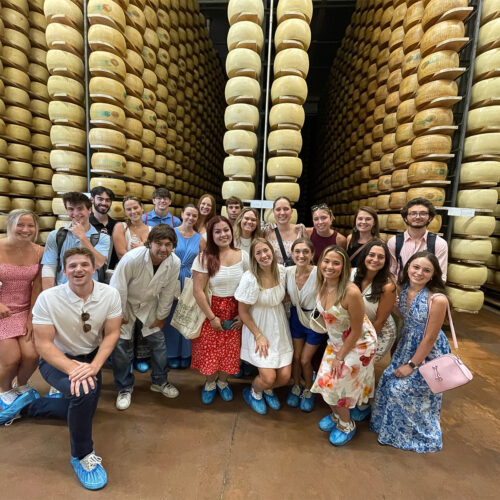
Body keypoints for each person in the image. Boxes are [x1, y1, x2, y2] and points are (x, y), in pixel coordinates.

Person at [1, 247, 122, 491]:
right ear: (64, 271)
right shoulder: (49, 298)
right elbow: (43, 344)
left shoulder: (110, 294)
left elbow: (112, 334)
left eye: (84, 265)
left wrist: (94, 366)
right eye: (73, 266)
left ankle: (27, 406)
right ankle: (82, 455)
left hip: (90, 360)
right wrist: (71, 368)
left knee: (85, 408)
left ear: (94, 267)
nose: (79, 270)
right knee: (84, 393)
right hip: (56, 360)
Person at [370, 251, 451, 453]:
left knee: (402, 390)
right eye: (415, 267)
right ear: (407, 268)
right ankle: (388, 429)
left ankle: (412, 434)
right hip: (407, 345)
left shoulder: (438, 299)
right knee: (387, 382)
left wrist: (412, 365)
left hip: (428, 353)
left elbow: (430, 338)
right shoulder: (403, 290)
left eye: (426, 270)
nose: (419, 272)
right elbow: (406, 315)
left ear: (434, 274)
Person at [109, 225, 181, 411]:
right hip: (125, 303)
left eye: (168, 244)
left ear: (173, 246)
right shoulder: (132, 258)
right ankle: (124, 388)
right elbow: (118, 287)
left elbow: (167, 291)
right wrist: (119, 314)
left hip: (150, 304)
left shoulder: (174, 262)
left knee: (158, 343)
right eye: (158, 243)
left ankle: (160, 381)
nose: (163, 249)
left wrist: (161, 316)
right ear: (149, 243)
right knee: (121, 346)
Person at [311, 246, 377, 446]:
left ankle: (346, 424)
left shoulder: (351, 292)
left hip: (359, 344)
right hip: (337, 342)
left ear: (344, 267)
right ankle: (337, 415)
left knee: (336, 387)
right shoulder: (322, 284)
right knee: (324, 383)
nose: (329, 266)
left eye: (336, 263)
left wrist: (340, 357)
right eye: (326, 261)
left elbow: (357, 331)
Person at [191, 216, 248, 404]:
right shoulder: (203, 258)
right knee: (210, 350)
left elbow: (250, 287)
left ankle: (223, 382)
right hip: (211, 308)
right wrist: (212, 317)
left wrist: (243, 313)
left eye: (226, 230)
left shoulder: (243, 255)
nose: (223, 235)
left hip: (236, 309)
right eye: (218, 231)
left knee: (230, 350)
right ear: (211, 235)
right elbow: (198, 291)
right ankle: (209, 383)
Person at [235, 238, 292, 414]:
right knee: (268, 377)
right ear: (253, 257)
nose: (263, 255)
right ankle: (255, 391)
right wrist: (258, 336)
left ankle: (267, 389)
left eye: (265, 250)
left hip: (279, 324)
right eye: (258, 253)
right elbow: (243, 312)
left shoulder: (281, 272)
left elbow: (285, 296)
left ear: (272, 251)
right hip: (258, 325)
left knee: (284, 377)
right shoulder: (250, 278)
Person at [0, 210, 42, 413]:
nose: (26, 230)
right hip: (2, 311)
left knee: (32, 355)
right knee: (11, 359)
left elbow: (38, 285)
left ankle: (22, 385)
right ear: (10, 225)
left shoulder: (39, 251)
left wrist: (32, 315)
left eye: (30, 226)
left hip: (26, 309)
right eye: (20, 225)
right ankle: (5, 390)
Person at [350, 240, 397, 421]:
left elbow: (380, 320)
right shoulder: (353, 274)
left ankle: (363, 404)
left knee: (364, 364)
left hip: (379, 332)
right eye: (372, 255)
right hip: (356, 327)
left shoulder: (387, 286)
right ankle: (353, 399)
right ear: (364, 256)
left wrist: (363, 343)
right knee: (354, 364)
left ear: (386, 261)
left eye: (381, 257)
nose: (375, 259)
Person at [112, 196, 152, 373]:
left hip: (147, 280)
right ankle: (126, 359)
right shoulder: (121, 227)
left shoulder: (152, 229)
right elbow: (122, 254)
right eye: (128, 209)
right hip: (126, 281)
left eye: (136, 207)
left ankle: (142, 356)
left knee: (144, 319)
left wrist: (139, 248)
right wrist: (145, 248)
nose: (133, 212)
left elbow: (158, 253)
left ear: (142, 208)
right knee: (126, 322)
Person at [165, 204, 206, 369]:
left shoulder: (200, 239)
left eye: (194, 216)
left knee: (188, 315)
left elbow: (204, 261)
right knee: (171, 315)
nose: (191, 218)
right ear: (182, 214)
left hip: (190, 280)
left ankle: (187, 353)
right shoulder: (171, 233)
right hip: (172, 278)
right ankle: (172, 353)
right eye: (188, 214)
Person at [41, 192, 110, 288]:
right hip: (62, 292)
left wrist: (82, 237)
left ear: (89, 210)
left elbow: (98, 263)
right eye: (71, 209)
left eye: (80, 208)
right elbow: (49, 268)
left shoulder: (103, 237)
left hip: (91, 293)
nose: (76, 213)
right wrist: (48, 296)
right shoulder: (55, 236)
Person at [285, 238, 322, 412]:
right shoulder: (287, 272)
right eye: (297, 251)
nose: (301, 255)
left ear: (312, 254)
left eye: (306, 252)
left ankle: (308, 389)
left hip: (314, 320)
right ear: (292, 254)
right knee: (296, 357)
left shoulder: (319, 273)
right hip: (296, 317)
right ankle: (296, 386)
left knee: (306, 359)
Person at [387, 198, 448, 282]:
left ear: (430, 218)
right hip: (399, 291)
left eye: (423, 213)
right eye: (413, 213)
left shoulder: (439, 243)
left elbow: (440, 277)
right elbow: (391, 273)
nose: (418, 217)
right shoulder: (394, 242)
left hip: (427, 292)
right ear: (405, 218)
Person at [264, 196, 307, 266]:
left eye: (286, 209)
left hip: (294, 274)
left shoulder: (300, 230)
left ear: (291, 211)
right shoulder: (268, 231)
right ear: (273, 212)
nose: (282, 213)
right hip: (273, 274)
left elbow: (306, 255)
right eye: (278, 209)